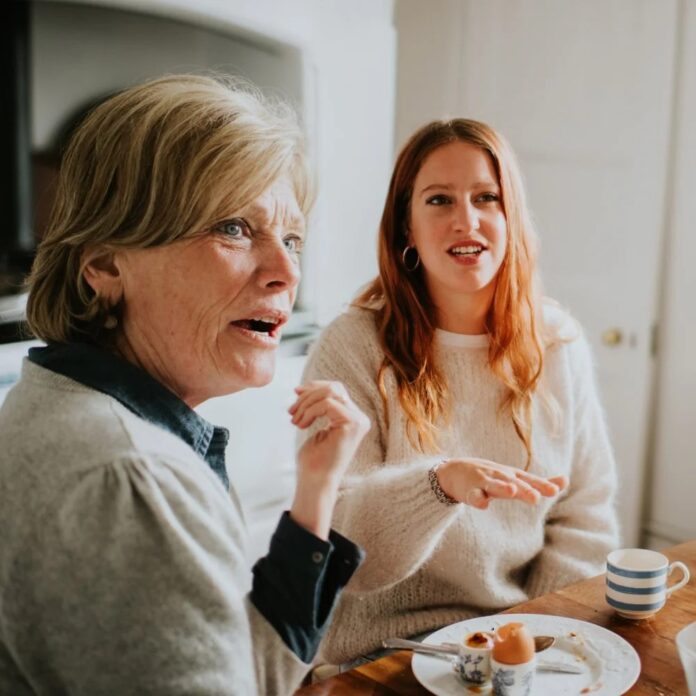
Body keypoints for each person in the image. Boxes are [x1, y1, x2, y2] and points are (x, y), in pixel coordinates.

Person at [0, 74, 370, 695]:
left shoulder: (62, 404)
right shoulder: (132, 481)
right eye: (233, 228)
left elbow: (252, 673)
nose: (286, 272)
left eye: (292, 239)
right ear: (105, 263)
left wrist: (316, 490)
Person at [299, 118, 619, 665]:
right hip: (383, 651)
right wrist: (439, 485)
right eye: (439, 200)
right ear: (406, 227)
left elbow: (584, 518)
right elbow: (346, 553)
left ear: (510, 215)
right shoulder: (352, 346)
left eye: (486, 197)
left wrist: (538, 634)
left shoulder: (557, 343)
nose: (466, 220)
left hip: (521, 641)